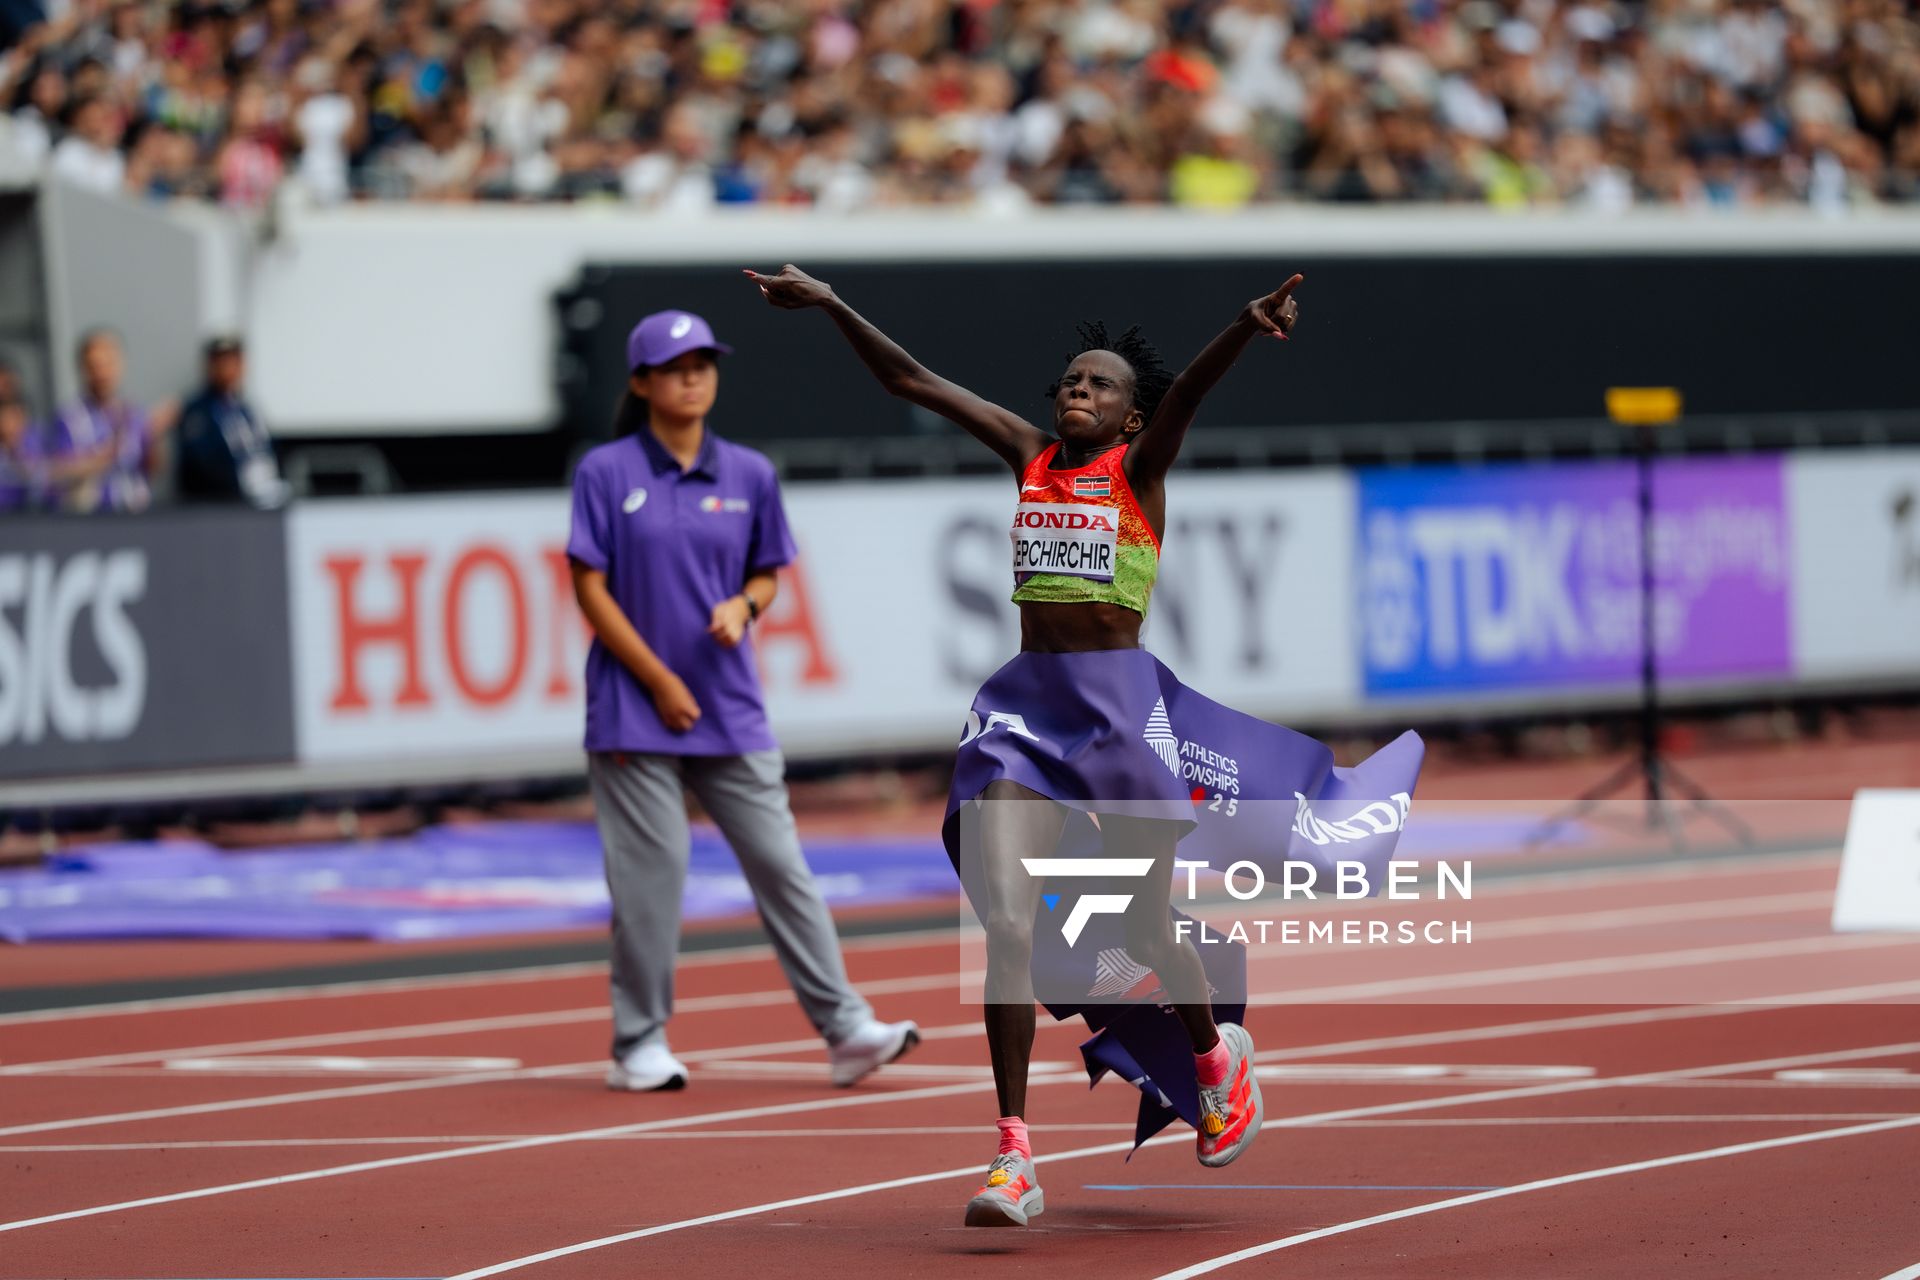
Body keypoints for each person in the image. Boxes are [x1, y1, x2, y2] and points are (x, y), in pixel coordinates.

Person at [748, 264, 1423, 1227]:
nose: (1078, 390)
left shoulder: (1141, 474)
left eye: (1101, 385)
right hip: (1027, 715)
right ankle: (1014, 1155)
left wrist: (1240, 325)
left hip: (1117, 713)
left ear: (1132, 421)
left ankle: (1212, 1057)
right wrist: (830, 306)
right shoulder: (1027, 455)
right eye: (1070, 378)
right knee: (1013, 929)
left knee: (1146, 934)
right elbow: (912, 382)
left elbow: (1187, 391)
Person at [566, 307, 920, 1094]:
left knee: (782, 866)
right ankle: (639, 1043)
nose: (694, 377)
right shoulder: (606, 472)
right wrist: (657, 679)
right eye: (676, 366)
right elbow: (587, 585)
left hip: (730, 705)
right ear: (641, 383)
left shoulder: (749, 474)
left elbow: (767, 569)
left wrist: (746, 607)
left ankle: (845, 1030)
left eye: (704, 363)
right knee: (652, 877)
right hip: (635, 709)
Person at [49, 328, 170, 513]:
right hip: (92, 517)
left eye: (108, 364)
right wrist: (106, 455)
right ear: (82, 368)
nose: (102, 373)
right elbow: (60, 471)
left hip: (134, 514)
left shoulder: (134, 414)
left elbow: (151, 470)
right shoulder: (70, 417)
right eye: (94, 366)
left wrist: (156, 435)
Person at [176, 335, 289, 508]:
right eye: (221, 361)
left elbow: (268, 448)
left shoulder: (248, 410)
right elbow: (199, 466)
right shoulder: (198, 411)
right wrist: (241, 483)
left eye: (233, 361)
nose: (227, 368)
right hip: (222, 505)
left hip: (263, 500)